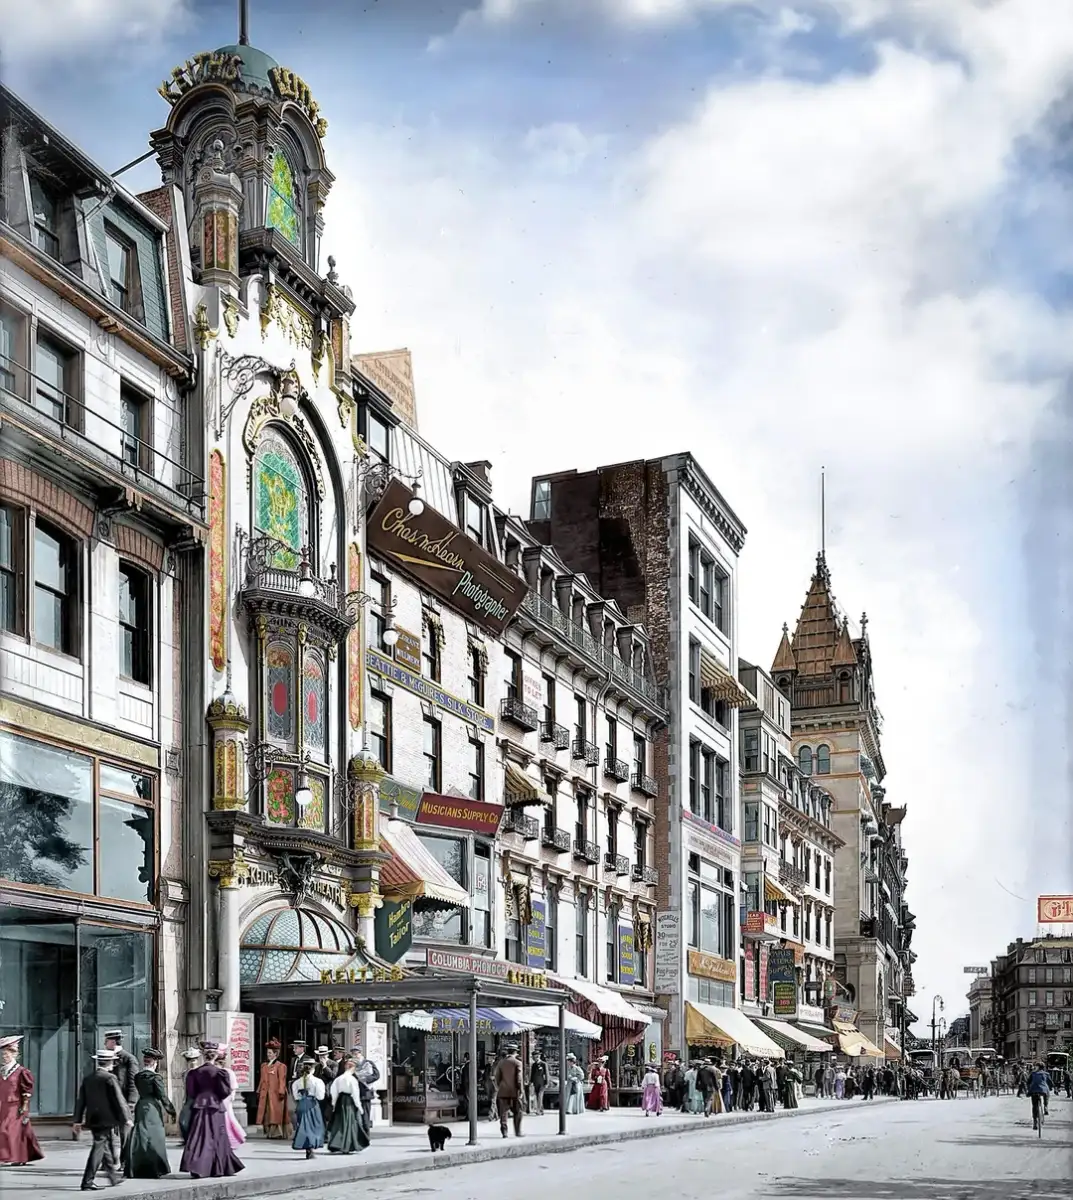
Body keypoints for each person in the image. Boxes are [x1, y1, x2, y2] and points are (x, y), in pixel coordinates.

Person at [179, 1041, 244, 1179]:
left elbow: (191, 1092)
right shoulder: (220, 1073)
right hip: (215, 1107)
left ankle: (198, 1167)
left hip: (199, 1106)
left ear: (204, 1056)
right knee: (218, 1136)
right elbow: (225, 1092)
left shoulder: (194, 1073)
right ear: (215, 1056)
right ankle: (217, 1168)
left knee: (200, 1136)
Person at [72, 1049, 131, 1191]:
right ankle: (87, 1181)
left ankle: (113, 1177)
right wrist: (126, 1118)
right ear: (110, 1063)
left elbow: (81, 1101)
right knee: (99, 1147)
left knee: (104, 1146)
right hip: (106, 1119)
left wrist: (77, 1120)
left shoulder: (89, 1078)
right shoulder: (110, 1078)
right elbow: (119, 1099)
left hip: (93, 1118)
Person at [126, 1048, 175, 1179]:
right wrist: (171, 1110)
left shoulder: (138, 1076)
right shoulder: (155, 1078)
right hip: (152, 1107)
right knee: (155, 1137)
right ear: (154, 1062)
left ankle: (136, 1166)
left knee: (140, 1135)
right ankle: (155, 1166)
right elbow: (162, 1096)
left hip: (141, 1105)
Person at [0, 1035, 43, 1167]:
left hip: (16, 1105)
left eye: (6, 1054)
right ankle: (19, 1156)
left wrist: (24, 1106)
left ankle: (13, 1156)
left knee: (8, 1130)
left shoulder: (21, 1072)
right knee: (15, 1131)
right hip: (3, 1105)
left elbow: (27, 1091)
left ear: (14, 1055)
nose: (4, 1057)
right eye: (3, 1055)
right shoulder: (2, 1071)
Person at [102, 1030, 138, 1173]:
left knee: (125, 1134)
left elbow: (133, 1082)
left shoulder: (128, 1059)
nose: (104, 1044)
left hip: (123, 1103)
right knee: (107, 1133)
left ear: (113, 1042)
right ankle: (109, 1161)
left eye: (106, 1041)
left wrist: (131, 1102)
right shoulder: (106, 1057)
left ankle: (124, 1161)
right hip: (108, 1103)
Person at [326, 1058, 369, 1155]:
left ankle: (337, 1144)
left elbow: (334, 1092)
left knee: (340, 1123)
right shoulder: (352, 1079)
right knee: (349, 1123)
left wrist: (334, 1103)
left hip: (340, 1100)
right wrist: (359, 1107)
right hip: (349, 1101)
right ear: (352, 1068)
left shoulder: (338, 1079)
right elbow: (355, 1094)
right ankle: (347, 1145)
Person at [291, 1057, 326, 1159]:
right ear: (313, 1069)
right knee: (314, 1126)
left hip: (302, 1104)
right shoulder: (317, 1081)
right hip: (312, 1104)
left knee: (303, 1126)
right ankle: (311, 1148)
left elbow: (296, 1096)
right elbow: (320, 1096)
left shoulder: (297, 1082)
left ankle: (307, 1148)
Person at [256, 1039, 289, 1138]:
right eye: (268, 1053)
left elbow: (282, 1080)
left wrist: (281, 1092)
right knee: (267, 1112)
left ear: (275, 1054)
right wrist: (258, 1090)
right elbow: (262, 1080)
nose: (268, 1055)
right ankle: (269, 1132)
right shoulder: (264, 1066)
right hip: (265, 1093)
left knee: (276, 1112)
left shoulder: (281, 1066)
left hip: (276, 1093)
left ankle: (277, 1133)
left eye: (270, 1053)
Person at [216, 1046, 246, 1151]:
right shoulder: (218, 1071)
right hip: (219, 1097)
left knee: (227, 1117)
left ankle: (232, 1138)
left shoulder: (229, 1072)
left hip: (226, 1097)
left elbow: (233, 1087)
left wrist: (232, 1096)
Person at [494, 1044, 524, 1138]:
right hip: (514, 1092)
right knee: (518, 1112)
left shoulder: (501, 1062)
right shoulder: (518, 1063)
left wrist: (500, 1086)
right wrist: (521, 1090)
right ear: (516, 1052)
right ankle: (518, 1131)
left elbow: (497, 1077)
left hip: (503, 1091)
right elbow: (519, 1079)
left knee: (503, 1113)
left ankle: (504, 1132)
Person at [352, 1048, 380, 1133]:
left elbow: (376, 1075)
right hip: (355, 1092)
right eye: (353, 1054)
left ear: (360, 1053)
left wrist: (365, 1080)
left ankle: (366, 1134)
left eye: (356, 1054)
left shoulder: (368, 1063)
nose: (354, 1056)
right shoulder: (352, 1064)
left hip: (365, 1093)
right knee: (355, 1116)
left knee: (365, 1116)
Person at [178, 1048, 201, 1142]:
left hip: (197, 1098)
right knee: (183, 1120)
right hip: (188, 1099)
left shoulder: (200, 1072)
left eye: (194, 1060)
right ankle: (187, 1139)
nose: (192, 1062)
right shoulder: (185, 1073)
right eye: (189, 1060)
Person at [1026, 1062, 1051, 1130]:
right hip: (1044, 1090)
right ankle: (1045, 1106)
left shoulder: (1033, 1073)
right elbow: (1050, 1082)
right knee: (1047, 1092)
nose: (1034, 1067)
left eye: (1036, 1066)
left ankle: (1035, 1122)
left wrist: (1028, 1089)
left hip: (1034, 1090)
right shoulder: (1046, 1074)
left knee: (1034, 1106)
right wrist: (1051, 1088)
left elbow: (1028, 1082)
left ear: (1038, 1067)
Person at [529, 1052, 548, 1116]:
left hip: (542, 1083)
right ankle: (541, 1110)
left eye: (535, 1057)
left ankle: (538, 1110)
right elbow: (532, 1074)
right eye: (533, 1057)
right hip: (536, 1082)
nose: (534, 1059)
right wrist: (531, 1081)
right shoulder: (534, 1065)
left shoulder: (543, 1064)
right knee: (538, 1096)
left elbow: (546, 1073)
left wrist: (547, 1082)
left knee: (540, 1096)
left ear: (538, 1057)